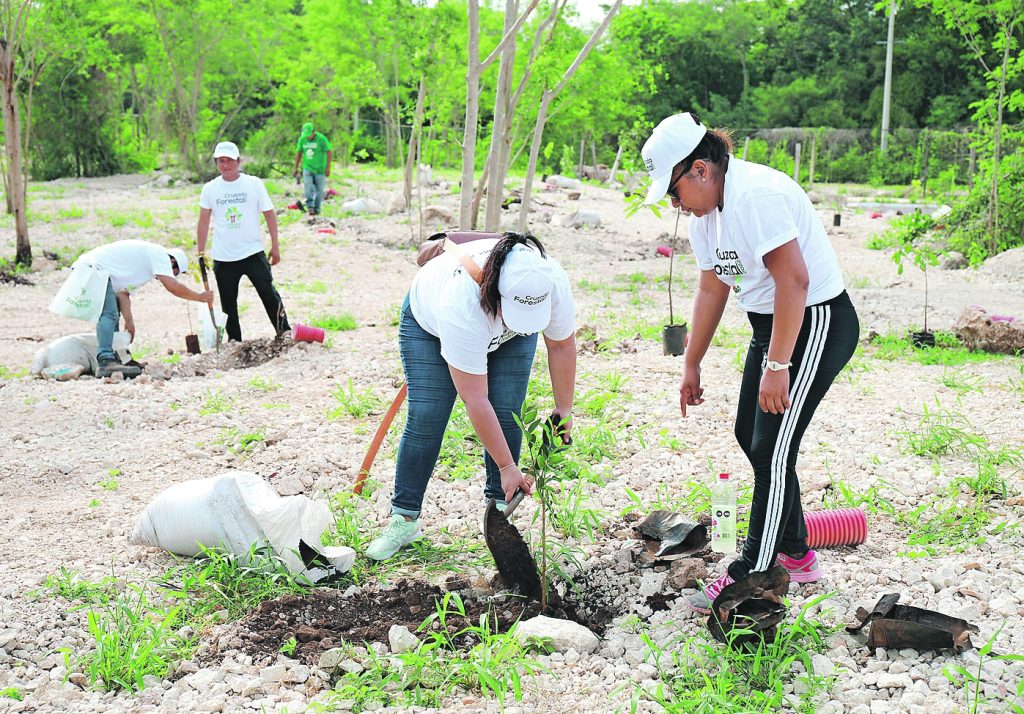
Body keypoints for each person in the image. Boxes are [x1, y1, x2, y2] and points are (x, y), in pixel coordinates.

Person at [640, 112, 860, 612]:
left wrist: (778, 365)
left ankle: (752, 572)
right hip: (774, 328)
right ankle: (799, 553)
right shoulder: (707, 216)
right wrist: (690, 363)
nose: (675, 205)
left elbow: (795, 282)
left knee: (774, 448)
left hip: (816, 322)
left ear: (700, 169)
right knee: (751, 434)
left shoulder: (754, 195)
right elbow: (712, 287)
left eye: (675, 192)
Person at [366, 232, 577, 561]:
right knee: (428, 415)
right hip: (429, 324)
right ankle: (404, 518)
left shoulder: (548, 280)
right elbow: (476, 398)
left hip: (498, 331)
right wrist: (509, 466)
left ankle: (499, 514)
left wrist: (564, 410)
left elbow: (562, 345)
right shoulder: (461, 302)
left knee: (508, 409)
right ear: (497, 294)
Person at [73, 240, 213, 378]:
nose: (170, 276)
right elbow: (173, 287)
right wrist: (200, 297)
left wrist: (129, 322)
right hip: (92, 268)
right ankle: (106, 360)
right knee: (109, 314)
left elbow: (122, 293)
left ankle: (119, 358)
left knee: (113, 308)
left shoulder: (146, 266)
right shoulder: (160, 255)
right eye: (174, 273)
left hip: (93, 268)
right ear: (172, 262)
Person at [197, 141, 291, 342]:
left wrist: (275, 245)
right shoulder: (210, 189)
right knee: (228, 303)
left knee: (268, 293)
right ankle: (234, 342)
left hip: (252, 251)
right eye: (221, 161)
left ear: (238, 161)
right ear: (216, 163)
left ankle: (284, 332)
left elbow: (269, 214)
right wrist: (200, 251)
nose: (225, 165)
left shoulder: (253, 184)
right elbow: (204, 220)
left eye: (229, 160)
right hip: (224, 256)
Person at [292, 122, 332, 216]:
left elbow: (329, 152)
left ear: (314, 132)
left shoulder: (321, 139)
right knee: (307, 186)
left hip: (320, 169)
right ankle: (310, 206)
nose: (308, 137)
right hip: (307, 168)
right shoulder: (302, 139)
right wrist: (296, 167)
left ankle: (317, 209)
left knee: (319, 190)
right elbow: (299, 153)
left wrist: (328, 167)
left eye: (309, 135)